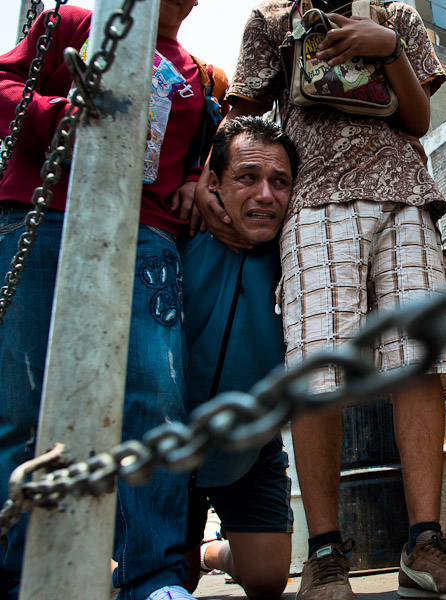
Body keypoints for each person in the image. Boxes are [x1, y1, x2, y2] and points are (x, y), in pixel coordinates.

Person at [192, 1, 446, 599]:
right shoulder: (272, 18)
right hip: (315, 201)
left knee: (421, 362)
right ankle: (326, 553)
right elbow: (242, 115)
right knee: (318, 368)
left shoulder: (395, 15)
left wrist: (385, 46)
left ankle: (424, 540)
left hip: (407, 195)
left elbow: (416, 119)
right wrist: (207, 177)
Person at [0, 2, 226, 599]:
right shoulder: (77, 22)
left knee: (155, 401)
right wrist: (58, 116)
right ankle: (15, 576)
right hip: (42, 217)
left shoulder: (196, 76)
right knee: (20, 408)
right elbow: (5, 86)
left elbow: (201, 153)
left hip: (147, 236)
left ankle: (152, 579)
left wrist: (192, 179)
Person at [178, 116, 298, 600]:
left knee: (268, 580)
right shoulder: (177, 237)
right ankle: (191, 552)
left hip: (249, 453)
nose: (265, 195)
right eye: (247, 178)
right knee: (165, 581)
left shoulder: (298, 255)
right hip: (163, 449)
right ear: (214, 184)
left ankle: (216, 551)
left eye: (280, 182)